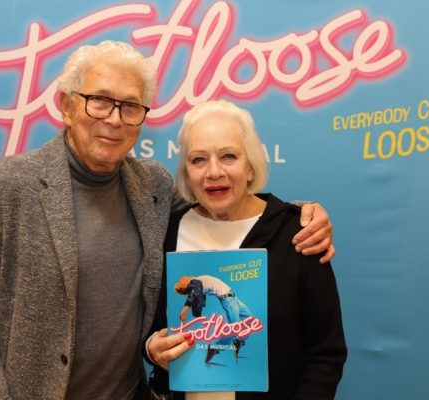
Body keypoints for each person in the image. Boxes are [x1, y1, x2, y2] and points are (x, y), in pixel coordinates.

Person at [0, 41, 335, 400]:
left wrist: (300, 215)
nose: (114, 119)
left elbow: (224, 202)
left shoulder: (153, 187)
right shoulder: (5, 187)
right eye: (99, 100)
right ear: (66, 105)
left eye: (130, 106)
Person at [147, 100, 347, 400]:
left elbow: (325, 354)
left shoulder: (298, 235)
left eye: (228, 156)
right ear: (187, 172)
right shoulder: (165, 232)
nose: (214, 172)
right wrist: (152, 349)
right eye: (198, 159)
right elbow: (145, 327)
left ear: (251, 165)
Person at [173, 275, 253, 362]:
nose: (187, 292)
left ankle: (238, 341)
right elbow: (194, 296)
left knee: (250, 321)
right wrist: (189, 309)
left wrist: (185, 309)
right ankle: (215, 346)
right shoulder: (198, 285)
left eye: (185, 291)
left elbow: (193, 294)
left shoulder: (196, 282)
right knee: (234, 328)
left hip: (234, 298)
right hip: (229, 300)